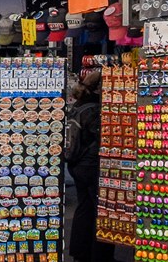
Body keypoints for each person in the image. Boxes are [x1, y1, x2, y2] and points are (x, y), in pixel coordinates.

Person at [63, 70, 103, 262]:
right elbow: (98, 138)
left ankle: (80, 253)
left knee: (84, 207)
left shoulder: (78, 106)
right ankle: (97, 254)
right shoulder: (95, 109)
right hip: (90, 165)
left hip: (76, 164)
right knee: (99, 210)